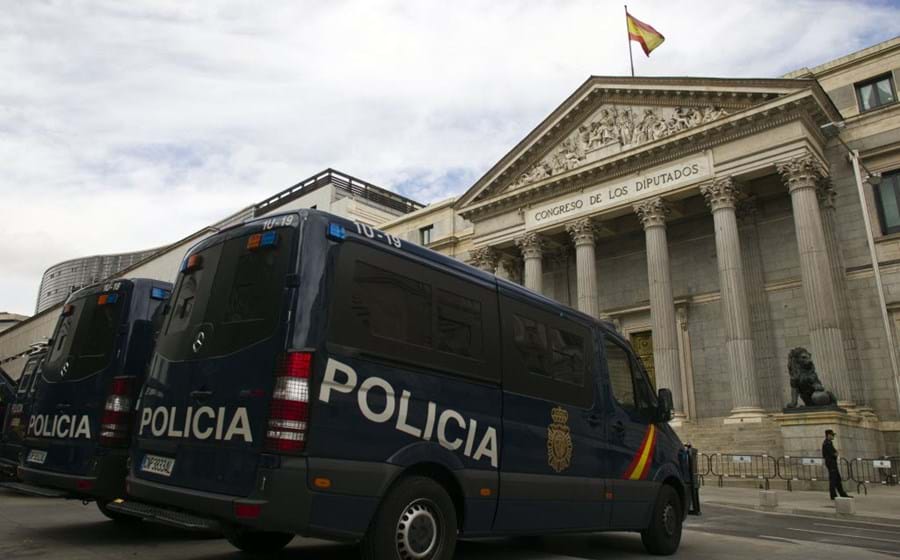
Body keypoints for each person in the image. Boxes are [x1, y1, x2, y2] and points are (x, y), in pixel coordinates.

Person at [822, 429, 849, 499]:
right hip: (831, 463)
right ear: (828, 435)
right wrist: (835, 454)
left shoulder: (829, 443)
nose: (833, 436)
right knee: (833, 479)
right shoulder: (826, 443)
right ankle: (833, 495)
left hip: (832, 463)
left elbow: (835, 452)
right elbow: (833, 453)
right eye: (832, 435)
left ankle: (841, 493)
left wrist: (835, 453)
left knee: (837, 479)